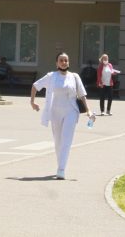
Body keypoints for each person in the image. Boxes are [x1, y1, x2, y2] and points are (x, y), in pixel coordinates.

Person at [30, 52, 95, 180]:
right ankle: (61, 164)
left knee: (66, 140)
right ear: (57, 63)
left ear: (68, 62)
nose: (64, 62)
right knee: (58, 142)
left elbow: (82, 94)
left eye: (66, 60)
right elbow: (35, 86)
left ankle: (61, 169)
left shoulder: (74, 77)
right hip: (55, 112)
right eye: (61, 60)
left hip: (71, 111)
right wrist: (32, 102)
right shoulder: (51, 76)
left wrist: (88, 110)